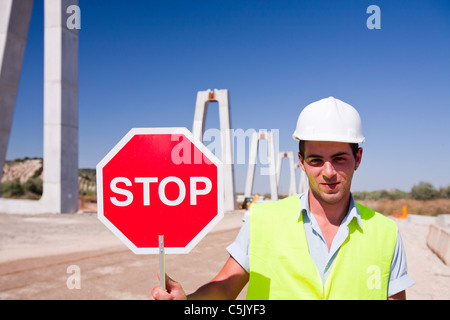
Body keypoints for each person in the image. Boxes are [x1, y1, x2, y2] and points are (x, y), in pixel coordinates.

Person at [151, 96, 414, 300]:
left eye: (339, 159)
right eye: (316, 160)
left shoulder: (386, 232)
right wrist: (188, 301)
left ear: (358, 158)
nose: (329, 172)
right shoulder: (262, 218)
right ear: (301, 162)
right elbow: (225, 288)